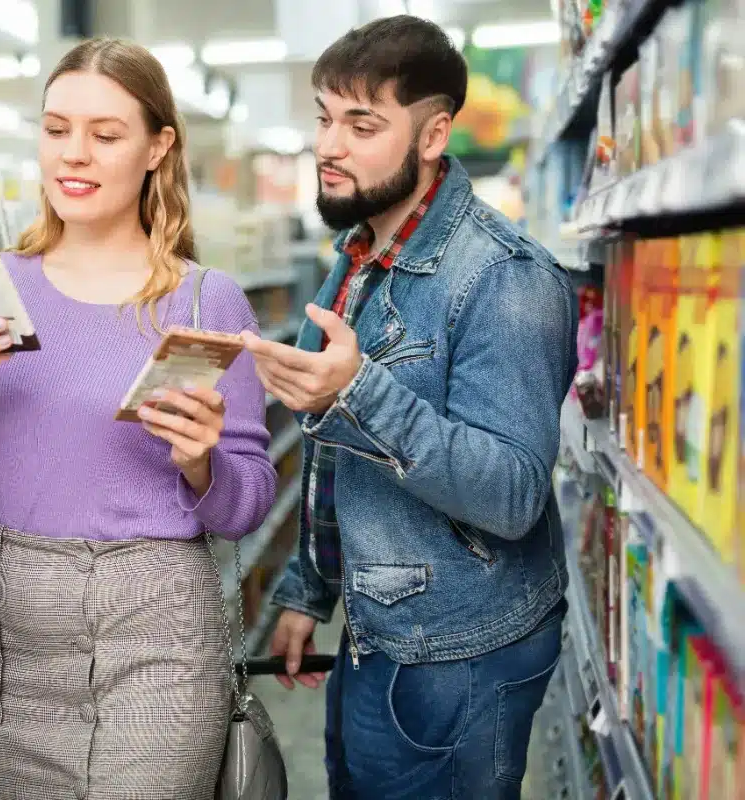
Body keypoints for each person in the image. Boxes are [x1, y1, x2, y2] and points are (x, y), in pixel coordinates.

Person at [0, 37, 277, 800]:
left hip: (158, 631)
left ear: (156, 147)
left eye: (105, 135)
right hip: (13, 629)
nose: (73, 155)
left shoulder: (206, 302)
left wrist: (202, 461)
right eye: (55, 129)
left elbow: (247, 508)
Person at [241, 16, 579, 800]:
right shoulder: (358, 257)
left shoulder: (505, 278)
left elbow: (513, 494)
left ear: (433, 136)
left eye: (363, 124)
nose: (329, 145)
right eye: (325, 118)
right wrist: (307, 589)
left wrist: (360, 391)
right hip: (376, 634)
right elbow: (333, 461)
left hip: (461, 653)